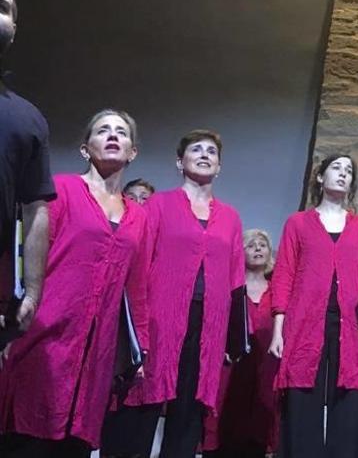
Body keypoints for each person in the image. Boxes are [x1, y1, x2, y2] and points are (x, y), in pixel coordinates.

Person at [0, 109, 147, 457]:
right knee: (27, 437)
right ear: (85, 148)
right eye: (102, 130)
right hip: (44, 335)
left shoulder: (139, 215)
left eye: (121, 132)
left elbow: (137, 286)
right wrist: (8, 317)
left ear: (133, 152)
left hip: (97, 351)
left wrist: (140, 350)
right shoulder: (62, 190)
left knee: (74, 443)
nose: (113, 136)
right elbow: (21, 253)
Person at [101, 129, 245, 458]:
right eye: (196, 149)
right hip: (159, 318)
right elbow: (138, 264)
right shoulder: (157, 205)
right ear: (180, 161)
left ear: (219, 166)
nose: (205, 154)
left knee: (189, 407)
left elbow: (235, 278)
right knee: (144, 396)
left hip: (207, 324)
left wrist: (231, 338)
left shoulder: (231, 218)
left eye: (212, 151)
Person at [269, 154, 358, 458]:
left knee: (352, 396)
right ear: (320, 178)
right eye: (336, 168)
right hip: (305, 322)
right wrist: (278, 329)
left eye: (348, 170)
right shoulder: (297, 223)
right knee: (300, 394)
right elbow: (284, 276)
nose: (343, 173)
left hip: (350, 325)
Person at [0, 0, 56, 339]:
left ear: (13, 31)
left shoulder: (28, 119)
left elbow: (35, 209)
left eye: (3, 8)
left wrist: (32, 292)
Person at [202, 229, 279, 457]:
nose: (258, 248)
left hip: (266, 370)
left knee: (258, 431)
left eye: (262, 244)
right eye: (251, 245)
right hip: (230, 368)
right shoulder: (230, 289)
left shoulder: (279, 292)